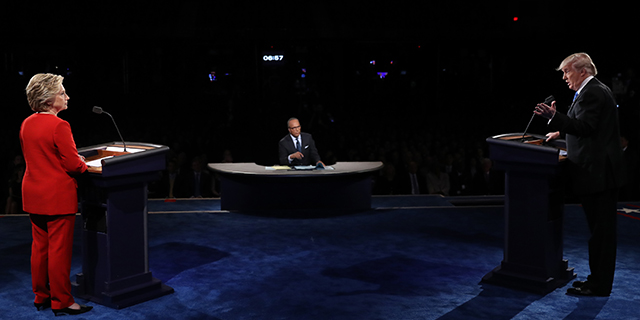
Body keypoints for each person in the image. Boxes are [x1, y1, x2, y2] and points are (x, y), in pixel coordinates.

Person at [534, 53, 624, 297]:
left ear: (583, 71)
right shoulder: (592, 90)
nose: (564, 77)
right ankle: (596, 281)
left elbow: (585, 128)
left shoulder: (593, 92)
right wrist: (560, 133)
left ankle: (599, 286)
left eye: (567, 72)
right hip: (598, 174)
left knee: (601, 236)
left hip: (599, 175)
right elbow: (587, 130)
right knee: (599, 234)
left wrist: (554, 118)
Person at [20, 73, 93, 315]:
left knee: (39, 248)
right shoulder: (60, 125)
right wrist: (82, 163)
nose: (67, 96)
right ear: (50, 99)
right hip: (57, 196)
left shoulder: (26, 123)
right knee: (59, 251)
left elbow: (42, 156)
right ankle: (62, 302)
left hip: (34, 193)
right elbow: (74, 166)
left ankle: (41, 296)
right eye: (62, 92)